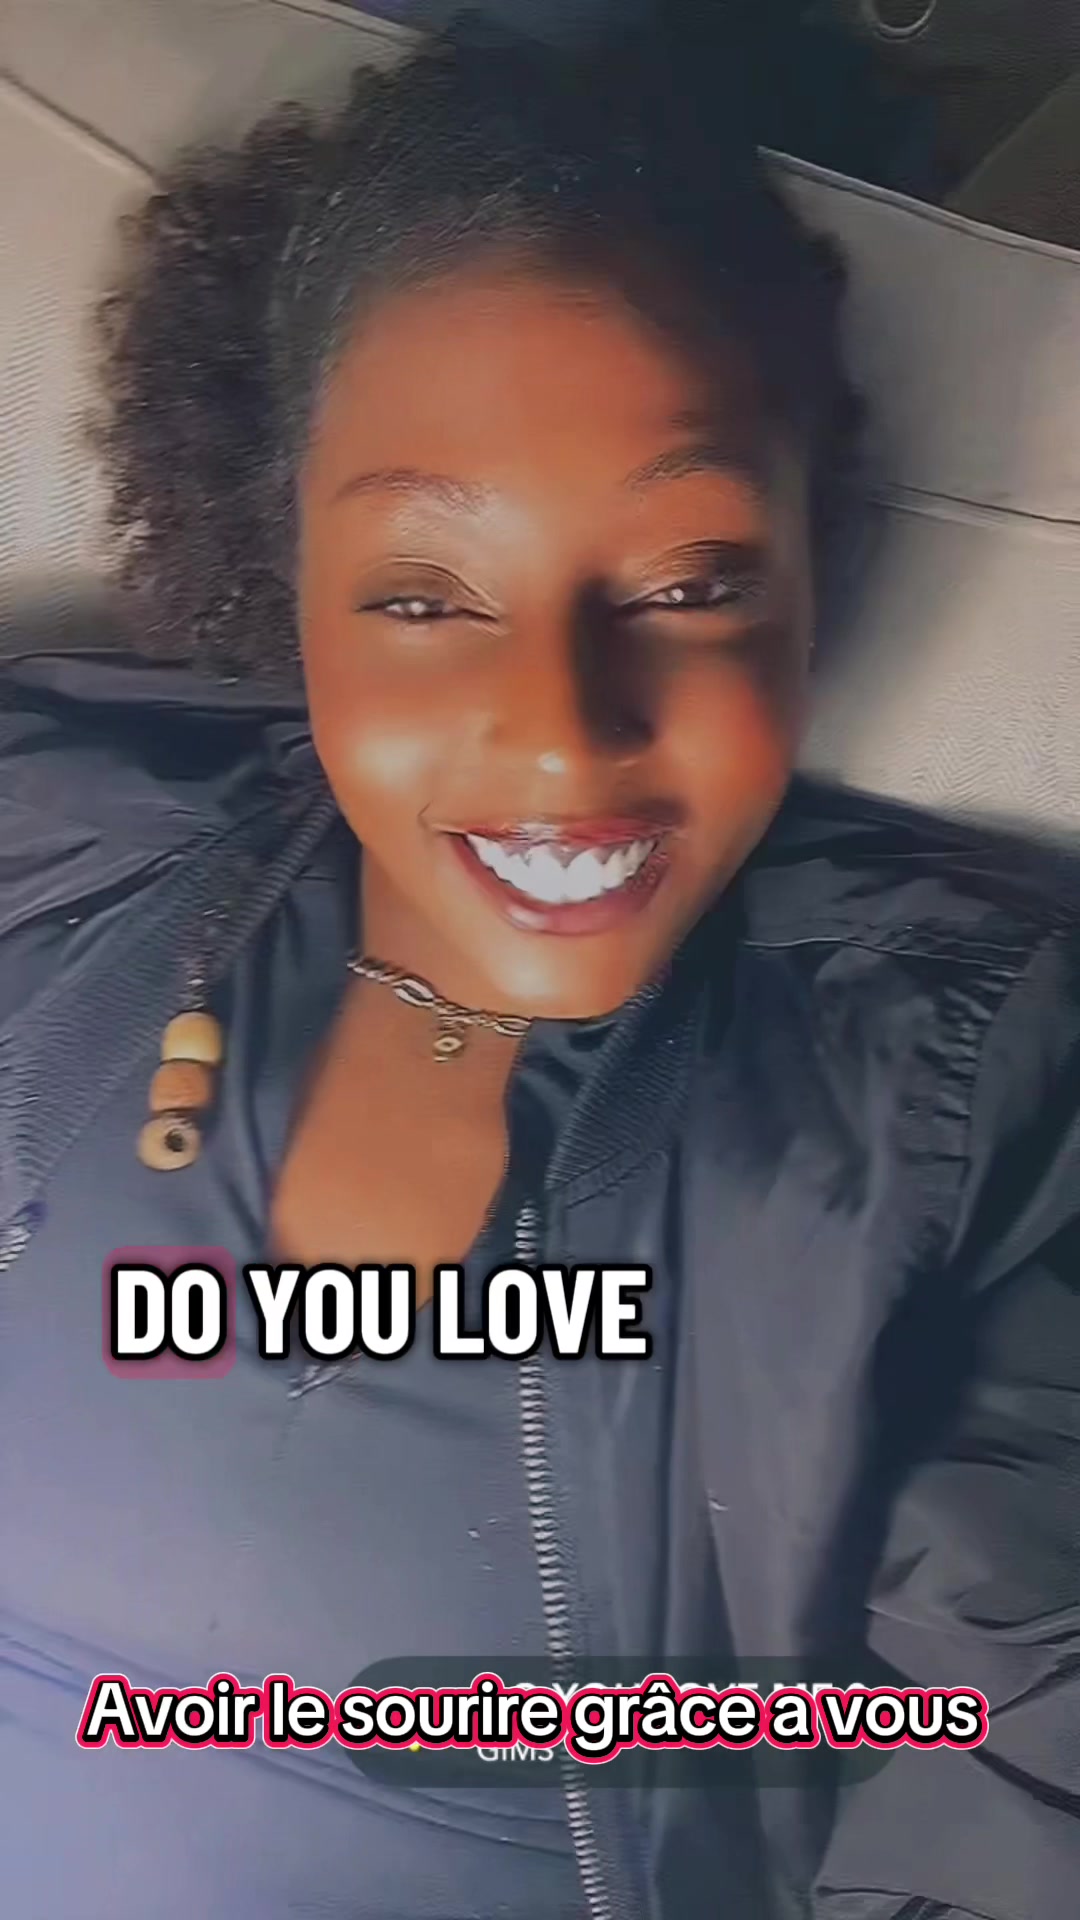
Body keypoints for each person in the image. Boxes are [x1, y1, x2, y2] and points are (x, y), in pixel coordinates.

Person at [0, 25, 1077, 1920]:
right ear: (285, 582)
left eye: (688, 583)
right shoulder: (49, 839)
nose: (566, 734)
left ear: (811, 571)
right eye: (425, 597)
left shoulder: (967, 1095)